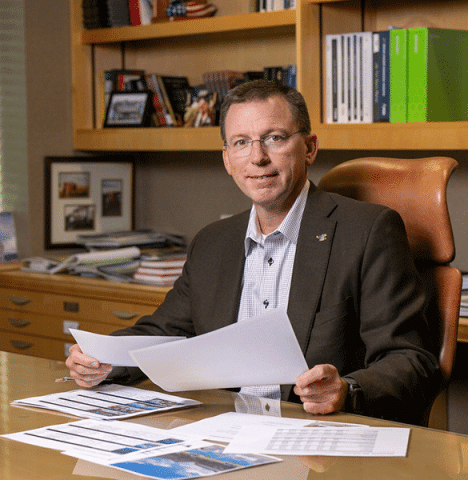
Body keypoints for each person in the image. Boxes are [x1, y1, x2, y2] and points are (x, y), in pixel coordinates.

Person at [66, 79, 441, 425]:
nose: (257, 157)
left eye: (274, 138)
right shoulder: (213, 242)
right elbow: (164, 333)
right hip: (223, 430)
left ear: (309, 147)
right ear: (228, 160)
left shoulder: (367, 230)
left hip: (314, 434)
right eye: (241, 142)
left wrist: (346, 389)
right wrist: (104, 360)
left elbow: (411, 360)